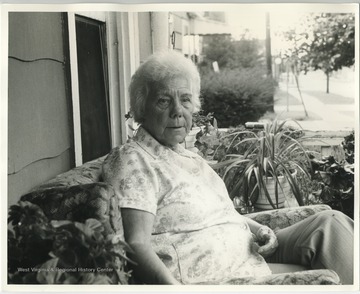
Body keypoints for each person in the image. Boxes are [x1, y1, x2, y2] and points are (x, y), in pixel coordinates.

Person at [102, 50, 354, 285]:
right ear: (141, 109)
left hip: (249, 255)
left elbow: (223, 214)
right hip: (220, 278)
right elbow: (136, 244)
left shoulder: (188, 158)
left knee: (329, 224)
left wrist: (260, 229)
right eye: (163, 101)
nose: (178, 111)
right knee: (330, 276)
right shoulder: (134, 159)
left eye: (186, 100)